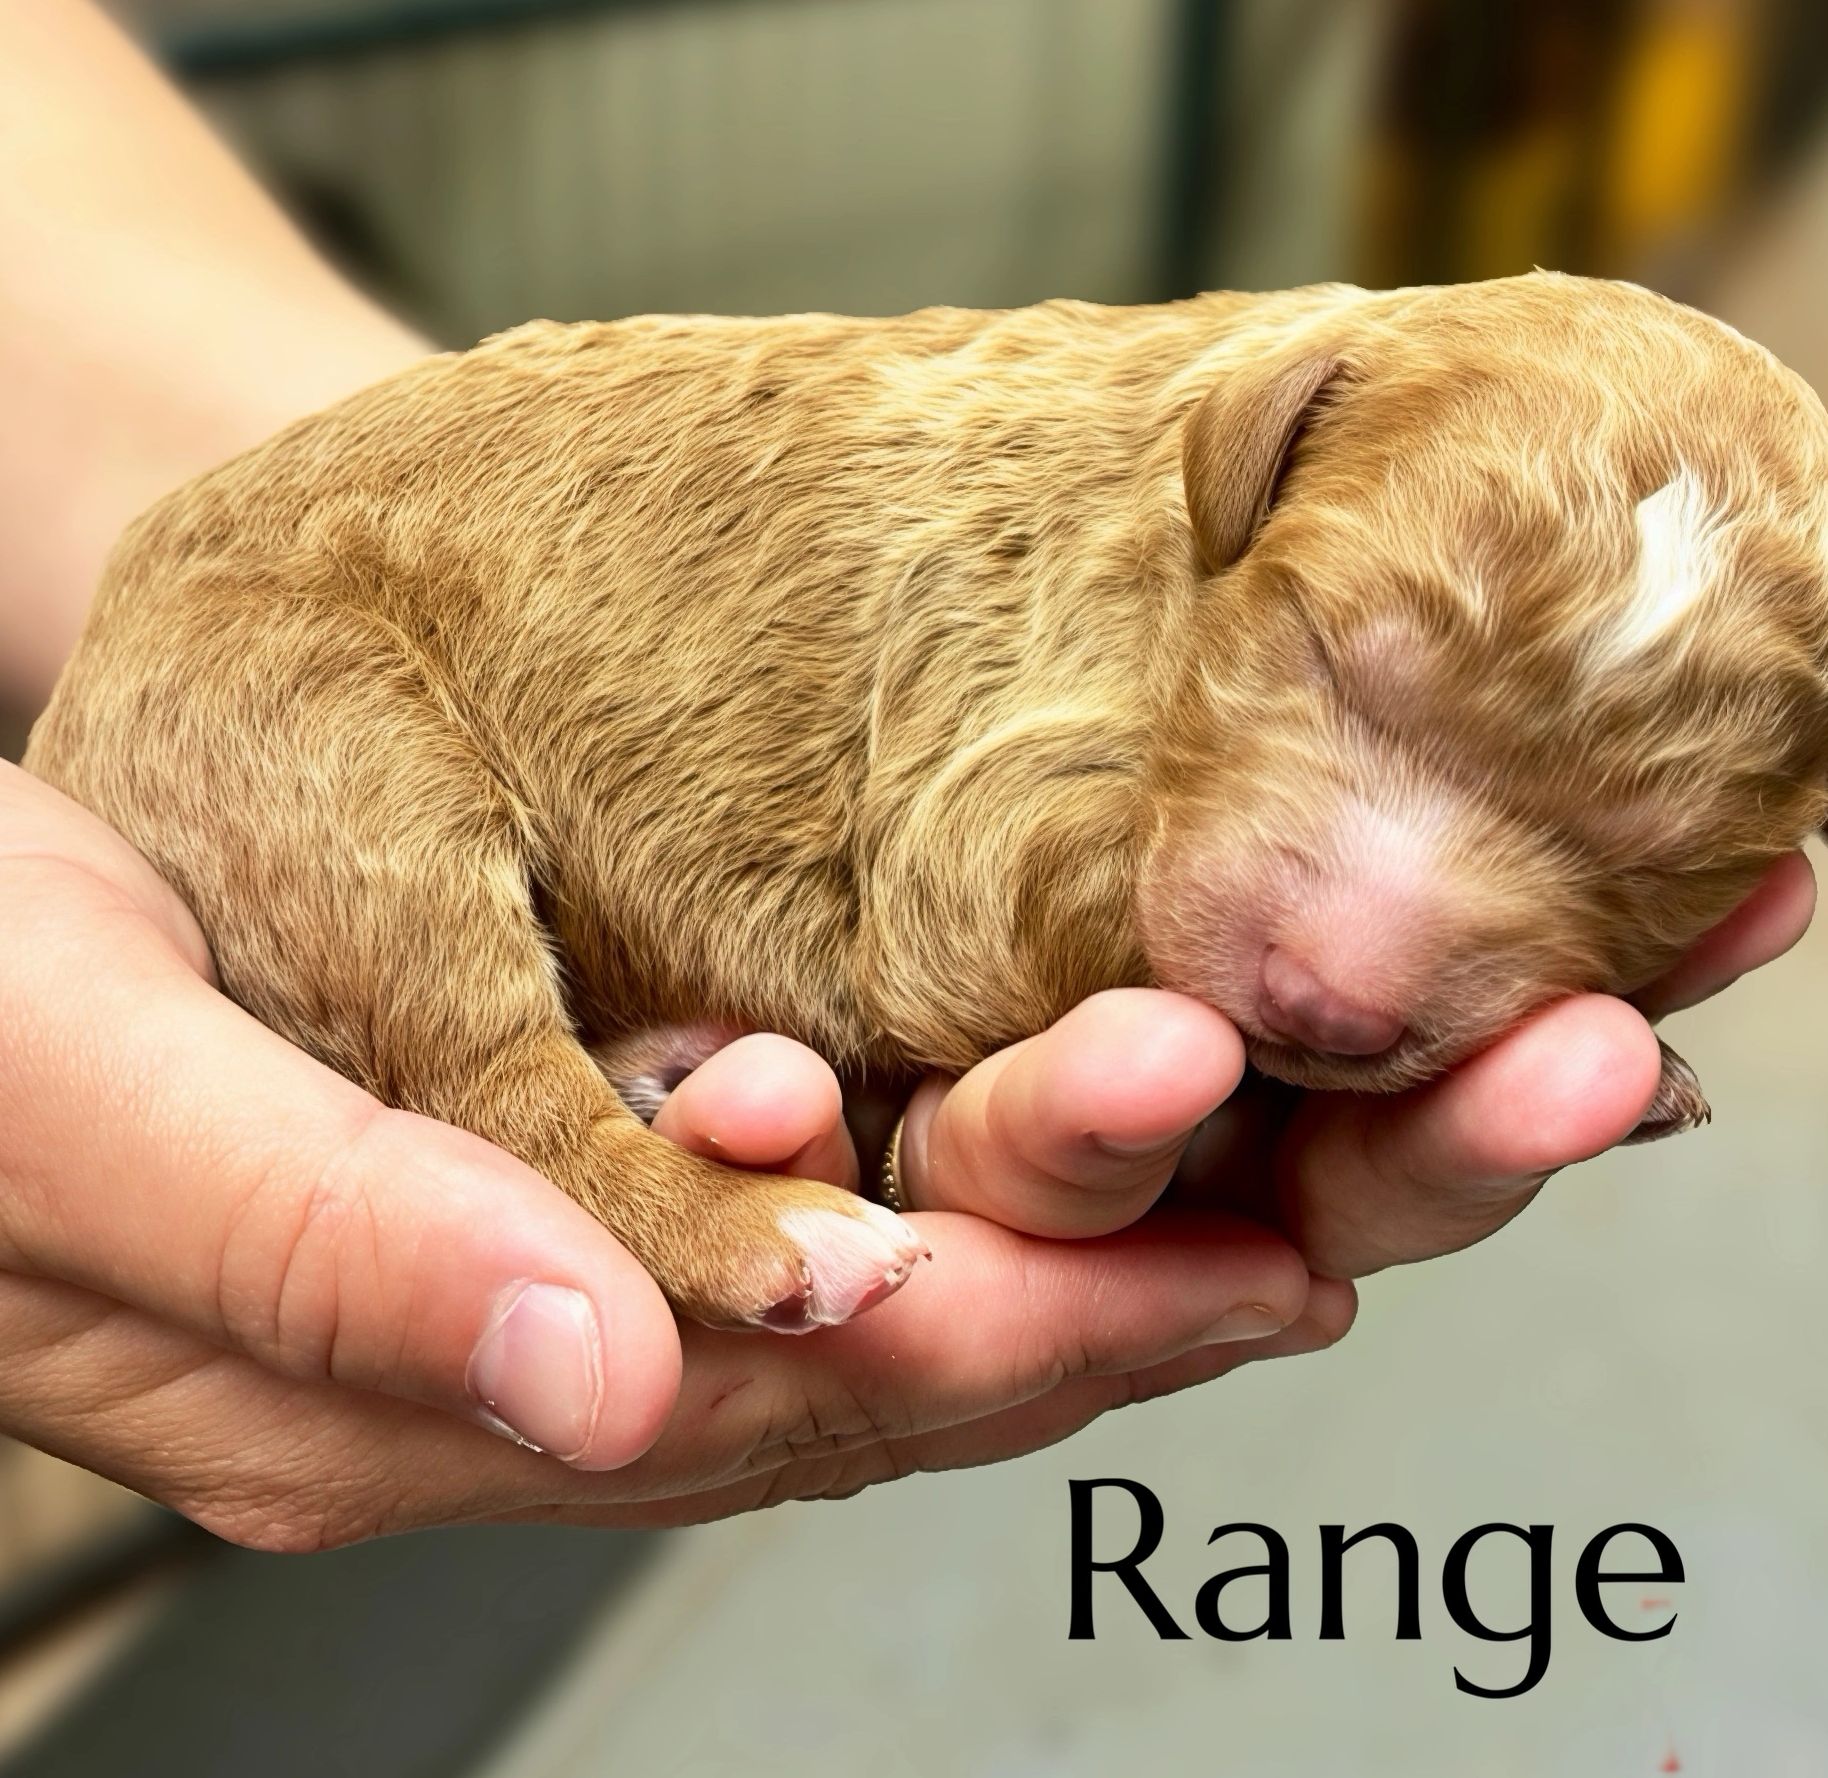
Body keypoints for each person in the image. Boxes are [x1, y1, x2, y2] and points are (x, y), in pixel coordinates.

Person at [0, 0, 1812, 1551]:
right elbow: (953, 948)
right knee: (351, 765)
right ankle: (578, 1145)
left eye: (1621, 848)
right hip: (295, 651)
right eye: (1336, 673)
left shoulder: (1319, 498)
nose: (1349, 971)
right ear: (1256, 471)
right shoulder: (1132, 524)